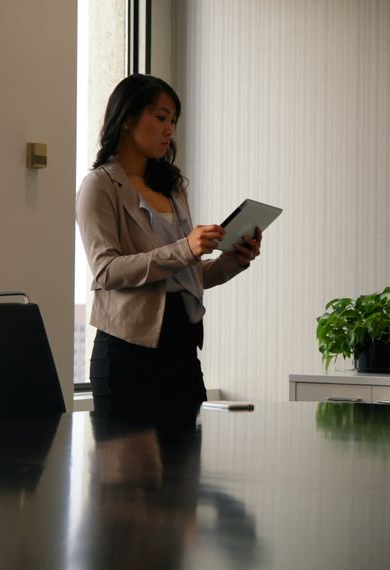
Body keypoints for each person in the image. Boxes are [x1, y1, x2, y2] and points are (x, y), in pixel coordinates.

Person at [76, 74, 262, 431]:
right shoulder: (99, 185)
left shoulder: (173, 189)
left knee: (186, 463)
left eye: (173, 121)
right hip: (127, 352)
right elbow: (106, 271)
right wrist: (185, 248)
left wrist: (232, 261)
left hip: (182, 348)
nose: (169, 130)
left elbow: (184, 274)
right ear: (127, 118)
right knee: (131, 468)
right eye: (161, 117)